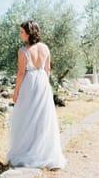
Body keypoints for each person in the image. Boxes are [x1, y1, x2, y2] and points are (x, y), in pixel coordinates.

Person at [7, 20, 66, 169]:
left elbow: (21, 73)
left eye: (21, 32)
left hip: (29, 83)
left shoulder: (23, 51)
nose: (20, 34)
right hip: (43, 83)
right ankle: (44, 153)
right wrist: (43, 84)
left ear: (29, 32)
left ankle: (28, 151)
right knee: (43, 118)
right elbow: (47, 70)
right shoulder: (45, 48)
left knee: (26, 117)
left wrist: (16, 92)